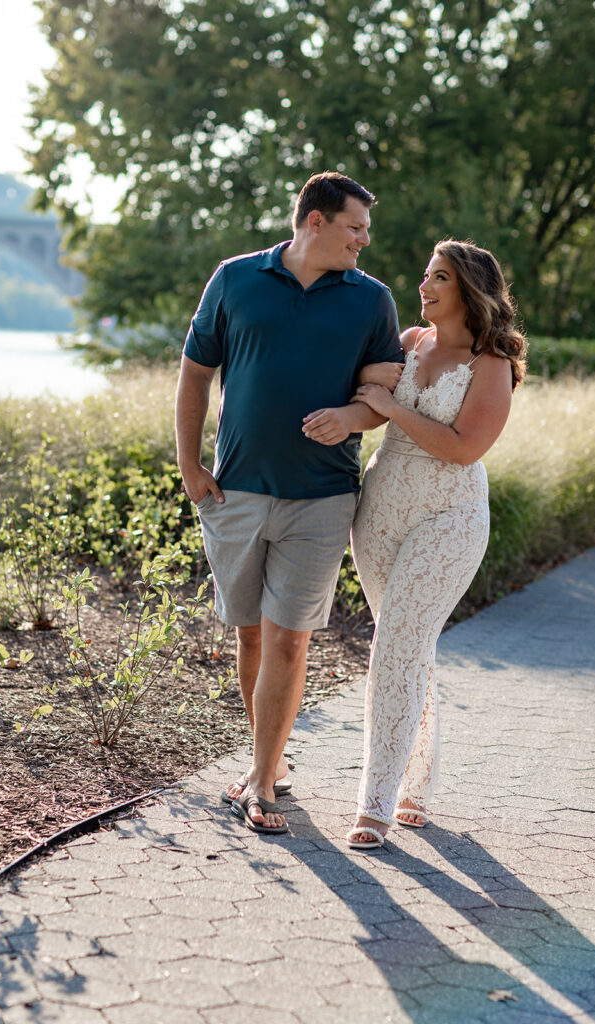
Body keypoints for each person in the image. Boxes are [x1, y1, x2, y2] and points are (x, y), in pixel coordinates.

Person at [175, 171, 403, 835]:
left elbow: (378, 400)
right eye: (354, 226)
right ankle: (263, 763)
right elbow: (194, 374)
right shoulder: (235, 279)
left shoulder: (371, 301)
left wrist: (348, 418)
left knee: (287, 639)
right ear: (314, 221)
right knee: (249, 631)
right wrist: (190, 465)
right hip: (235, 492)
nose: (364, 239)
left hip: (321, 500)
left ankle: (262, 786)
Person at [330, 239, 525, 850]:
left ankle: (375, 802)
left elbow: (464, 447)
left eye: (438, 276)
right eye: (424, 274)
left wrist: (391, 405)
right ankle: (416, 782)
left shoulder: (491, 364)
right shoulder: (410, 343)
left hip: (450, 517)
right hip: (380, 512)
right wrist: (361, 399)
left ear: (468, 289)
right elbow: (366, 395)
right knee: (409, 647)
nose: (424, 285)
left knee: (395, 644)